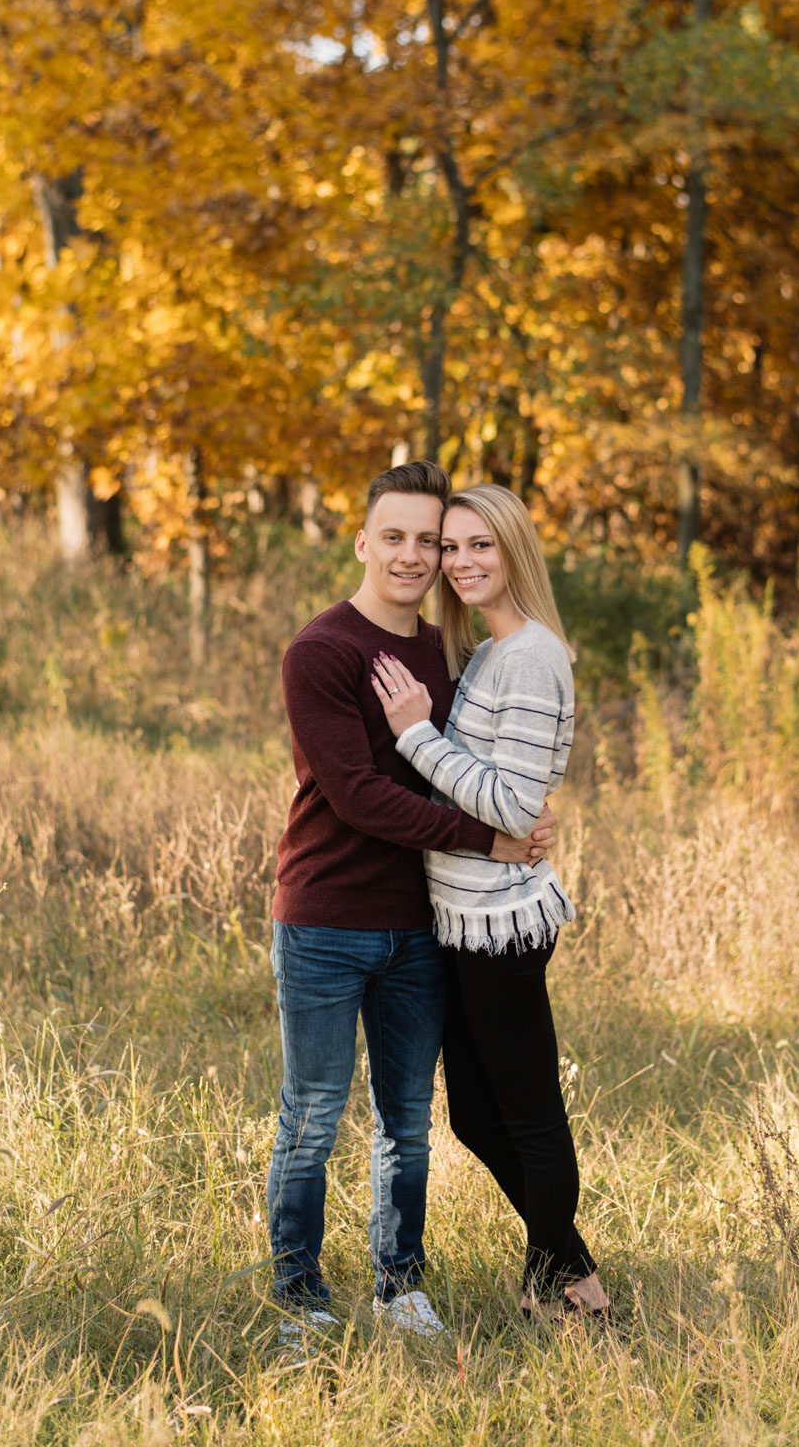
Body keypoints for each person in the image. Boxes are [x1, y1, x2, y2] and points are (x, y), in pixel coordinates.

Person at [266, 461, 557, 1340]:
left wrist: (523, 809)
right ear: (362, 542)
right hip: (323, 918)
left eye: (426, 542)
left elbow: (485, 767)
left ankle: (401, 1286)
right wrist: (490, 837)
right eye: (392, 536)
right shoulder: (322, 651)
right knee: (313, 1116)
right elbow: (355, 795)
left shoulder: (447, 653)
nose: (410, 555)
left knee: (408, 1123)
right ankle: (299, 1296)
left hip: (421, 925)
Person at [370, 482, 609, 1320]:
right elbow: (507, 796)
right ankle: (573, 1272)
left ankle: (556, 1285)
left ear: (513, 553)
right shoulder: (489, 653)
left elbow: (510, 805)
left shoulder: (530, 655)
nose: (459, 562)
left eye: (481, 546)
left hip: (501, 922)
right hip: (467, 916)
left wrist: (415, 735)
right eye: (450, 547)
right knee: (475, 1114)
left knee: (529, 1113)